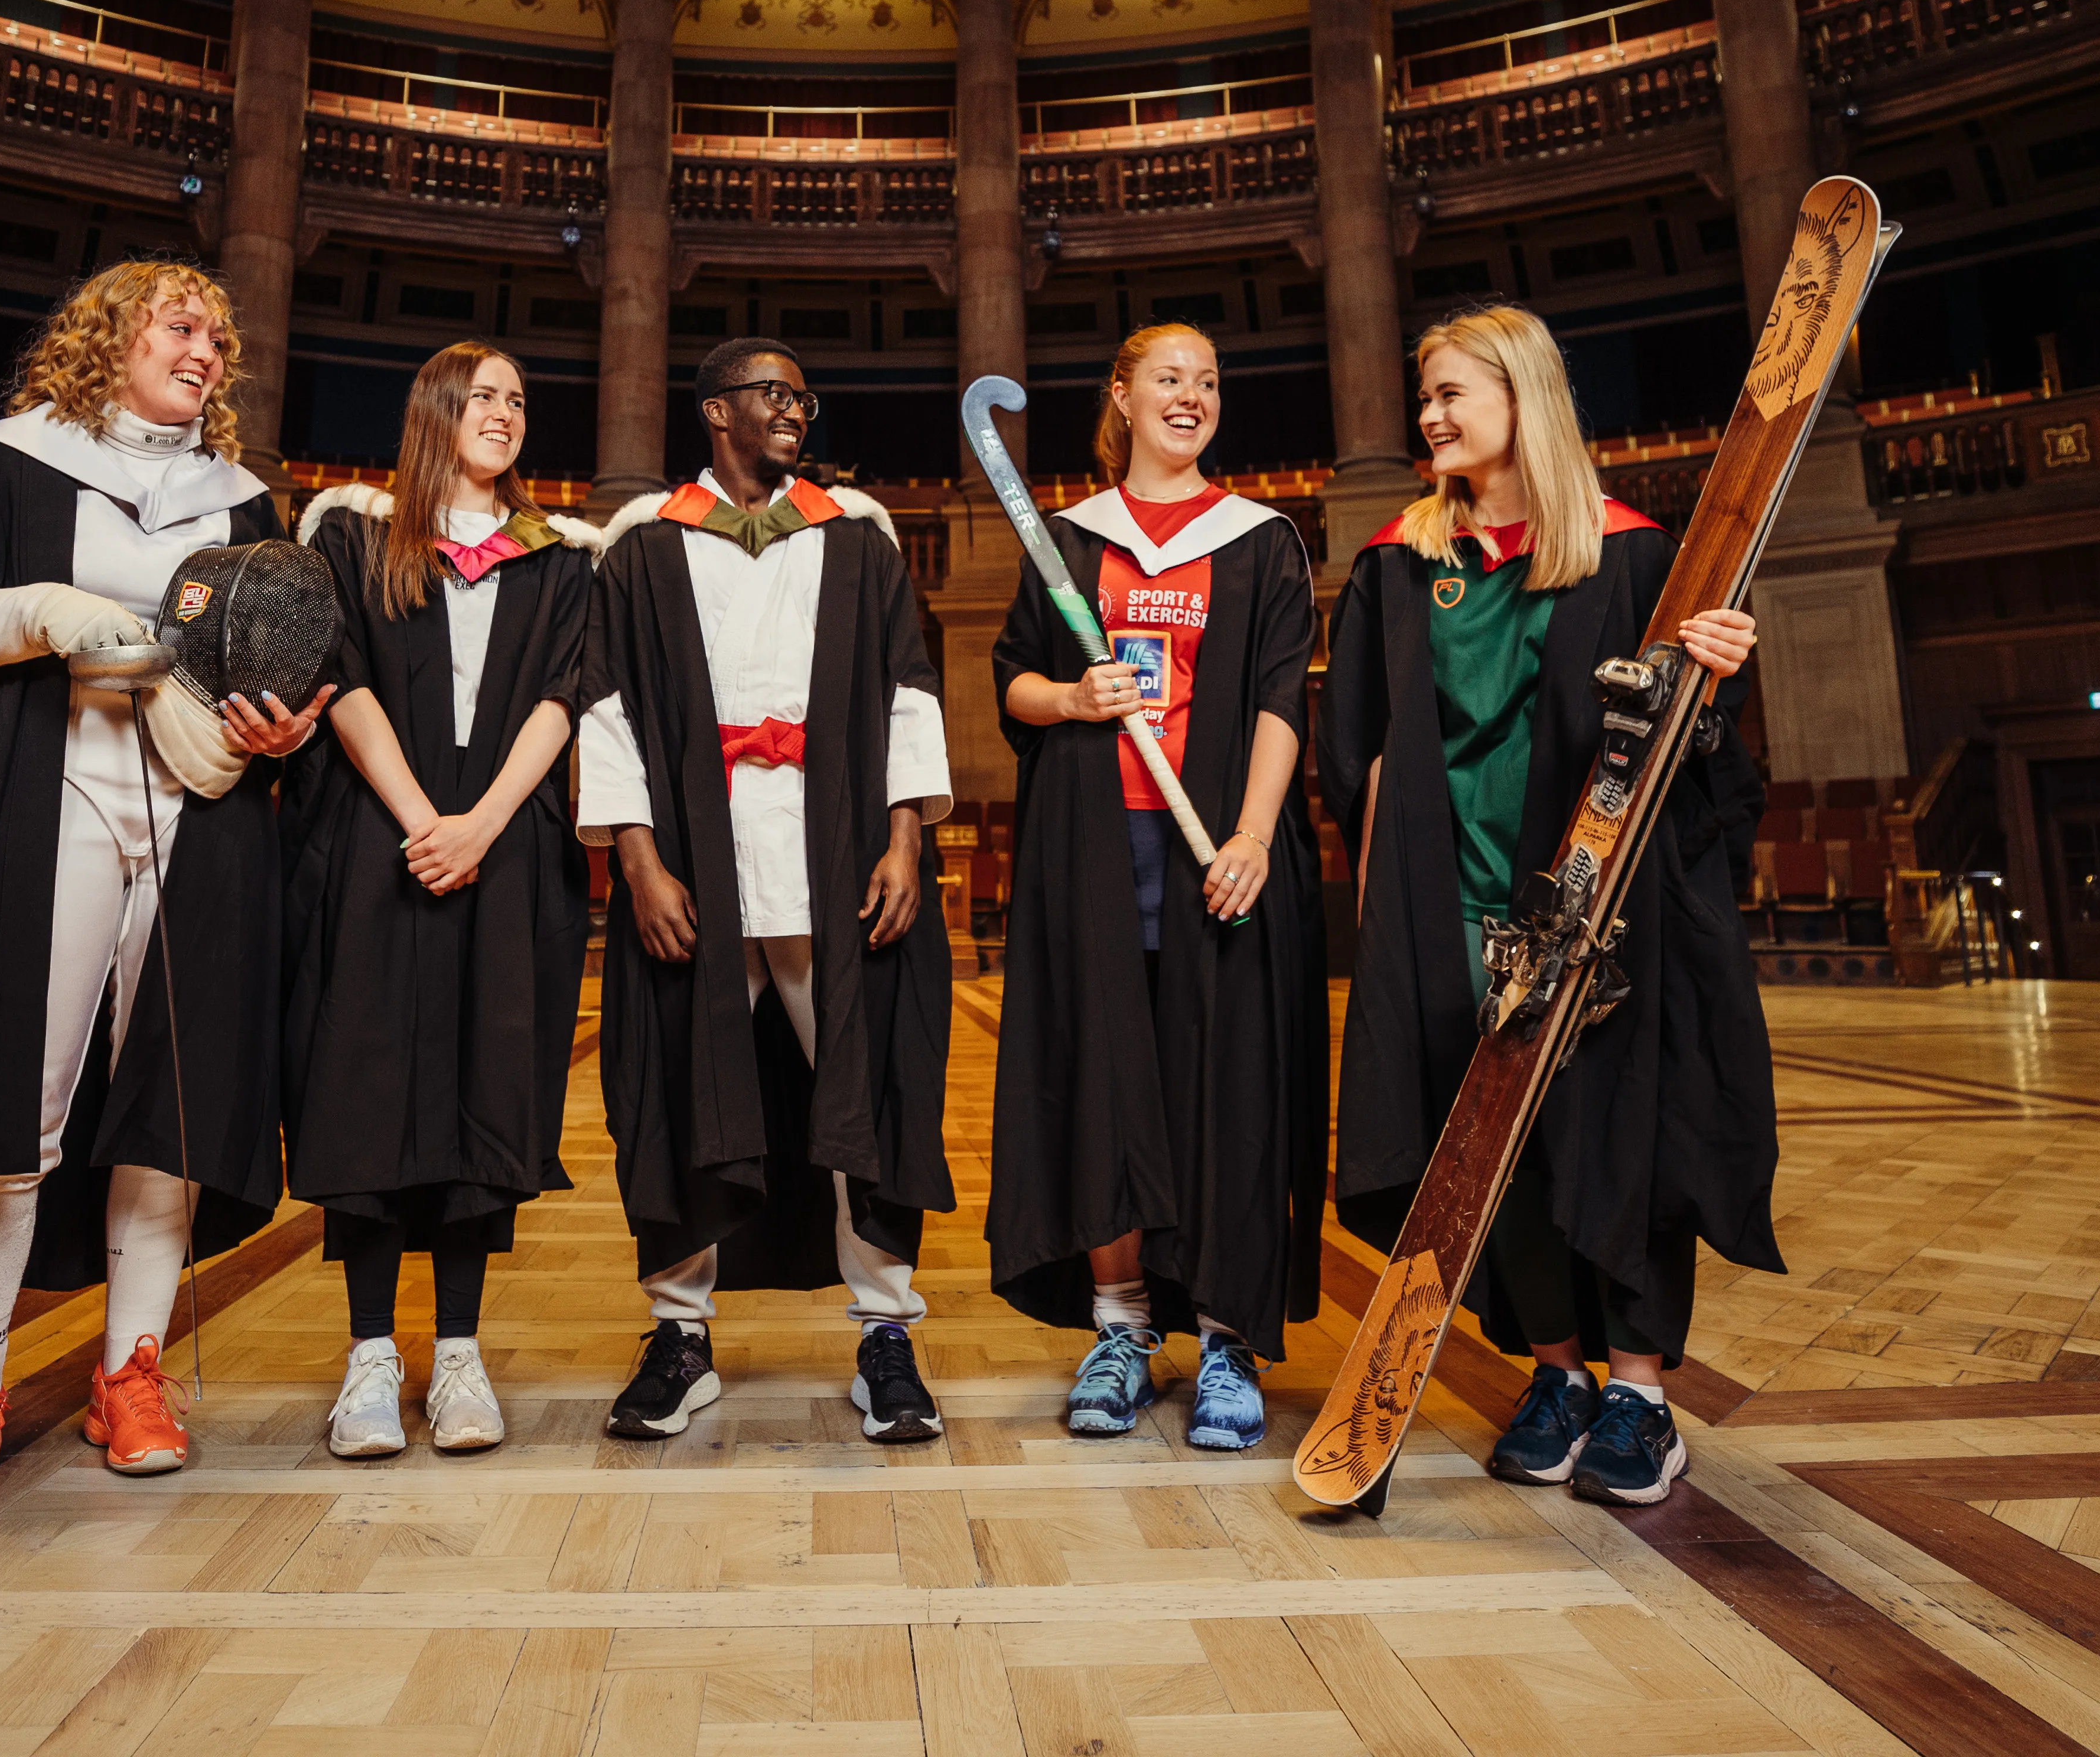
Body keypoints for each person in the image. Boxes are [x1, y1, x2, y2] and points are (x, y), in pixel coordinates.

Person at [0, 261, 332, 1511]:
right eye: (183, 324)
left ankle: (134, 1371)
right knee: (15, 1092)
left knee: (176, 1102)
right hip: (43, 795)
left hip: (201, 812)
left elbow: (269, 658)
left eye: (221, 336)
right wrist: (43, 610)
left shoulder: (244, 502)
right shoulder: (3, 464)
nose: (208, 350)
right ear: (109, 334)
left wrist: (277, 727)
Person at [1321, 302, 1775, 1508]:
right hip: (1453, 902)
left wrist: (1715, 676)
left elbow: (1707, 763)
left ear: (1525, 397)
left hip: (1597, 909)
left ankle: (1639, 1391)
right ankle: (1558, 1370)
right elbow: (1351, 752)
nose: (1431, 416)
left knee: (1616, 1133)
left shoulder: (1636, 556)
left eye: (1453, 393)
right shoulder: (1398, 565)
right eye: (1426, 396)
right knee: (1490, 1145)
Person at [577, 338, 957, 1444]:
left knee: (869, 1094)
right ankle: (680, 1338)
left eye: (802, 395)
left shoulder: (856, 538)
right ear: (714, 412)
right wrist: (637, 861)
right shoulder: (645, 547)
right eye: (771, 395)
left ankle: (887, 1337)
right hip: (696, 868)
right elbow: (604, 709)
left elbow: (905, 694)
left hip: (834, 867)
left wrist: (905, 842)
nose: (794, 410)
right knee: (682, 1095)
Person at [988, 323, 1323, 1450]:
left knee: (1224, 1091)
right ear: (1122, 396)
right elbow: (1014, 686)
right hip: (1094, 855)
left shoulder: (1262, 540)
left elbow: (1283, 699)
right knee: (1106, 1090)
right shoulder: (1069, 544)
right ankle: (1122, 1327)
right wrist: (1074, 701)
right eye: (1168, 379)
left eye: (1210, 381)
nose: (1192, 397)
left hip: (1213, 857)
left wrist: (1256, 836)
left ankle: (1228, 1336)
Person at [281, 343, 601, 1458]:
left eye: (519, 398)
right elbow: (341, 677)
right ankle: (373, 1355)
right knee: (364, 1082)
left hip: (505, 849)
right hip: (379, 839)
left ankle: (458, 1353)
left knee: (485, 1081)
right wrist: (424, 818)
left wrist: (483, 824)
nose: (505, 412)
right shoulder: (355, 538)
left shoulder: (560, 558)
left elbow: (564, 698)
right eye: (483, 396)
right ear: (433, 410)